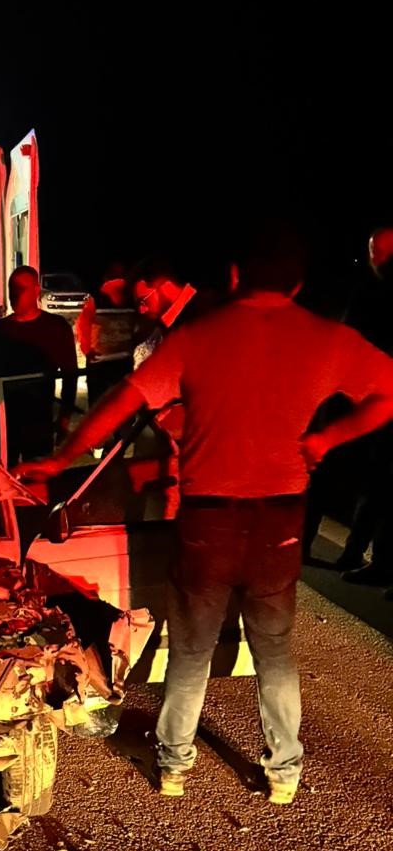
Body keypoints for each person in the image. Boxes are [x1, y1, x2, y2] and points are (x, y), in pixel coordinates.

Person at [21, 222, 393, 805]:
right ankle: (284, 772)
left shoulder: (200, 338)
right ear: (297, 284)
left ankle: (174, 765)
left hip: (208, 519)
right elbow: (388, 391)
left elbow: (125, 400)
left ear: (236, 275)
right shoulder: (328, 339)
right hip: (279, 520)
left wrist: (63, 455)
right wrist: (325, 441)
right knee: (275, 647)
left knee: (190, 648)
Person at [333, 227, 393, 588]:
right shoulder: (372, 291)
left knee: (380, 481)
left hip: (381, 398)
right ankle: (363, 552)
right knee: (379, 481)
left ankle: (374, 558)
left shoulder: (375, 293)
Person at [0, 265, 78, 464]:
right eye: (12, 289)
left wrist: (65, 417)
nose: (15, 295)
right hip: (3, 425)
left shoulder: (55, 329)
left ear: (36, 291)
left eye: (21, 289)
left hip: (39, 423)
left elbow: (69, 374)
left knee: (38, 480)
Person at [77, 261, 134, 406]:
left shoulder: (95, 299)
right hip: (123, 362)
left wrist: (87, 351)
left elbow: (82, 327)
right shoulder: (132, 299)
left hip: (98, 362)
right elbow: (145, 324)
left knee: (98, 408)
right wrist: (132, 343)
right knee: (123, 409)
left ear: (106, 277)